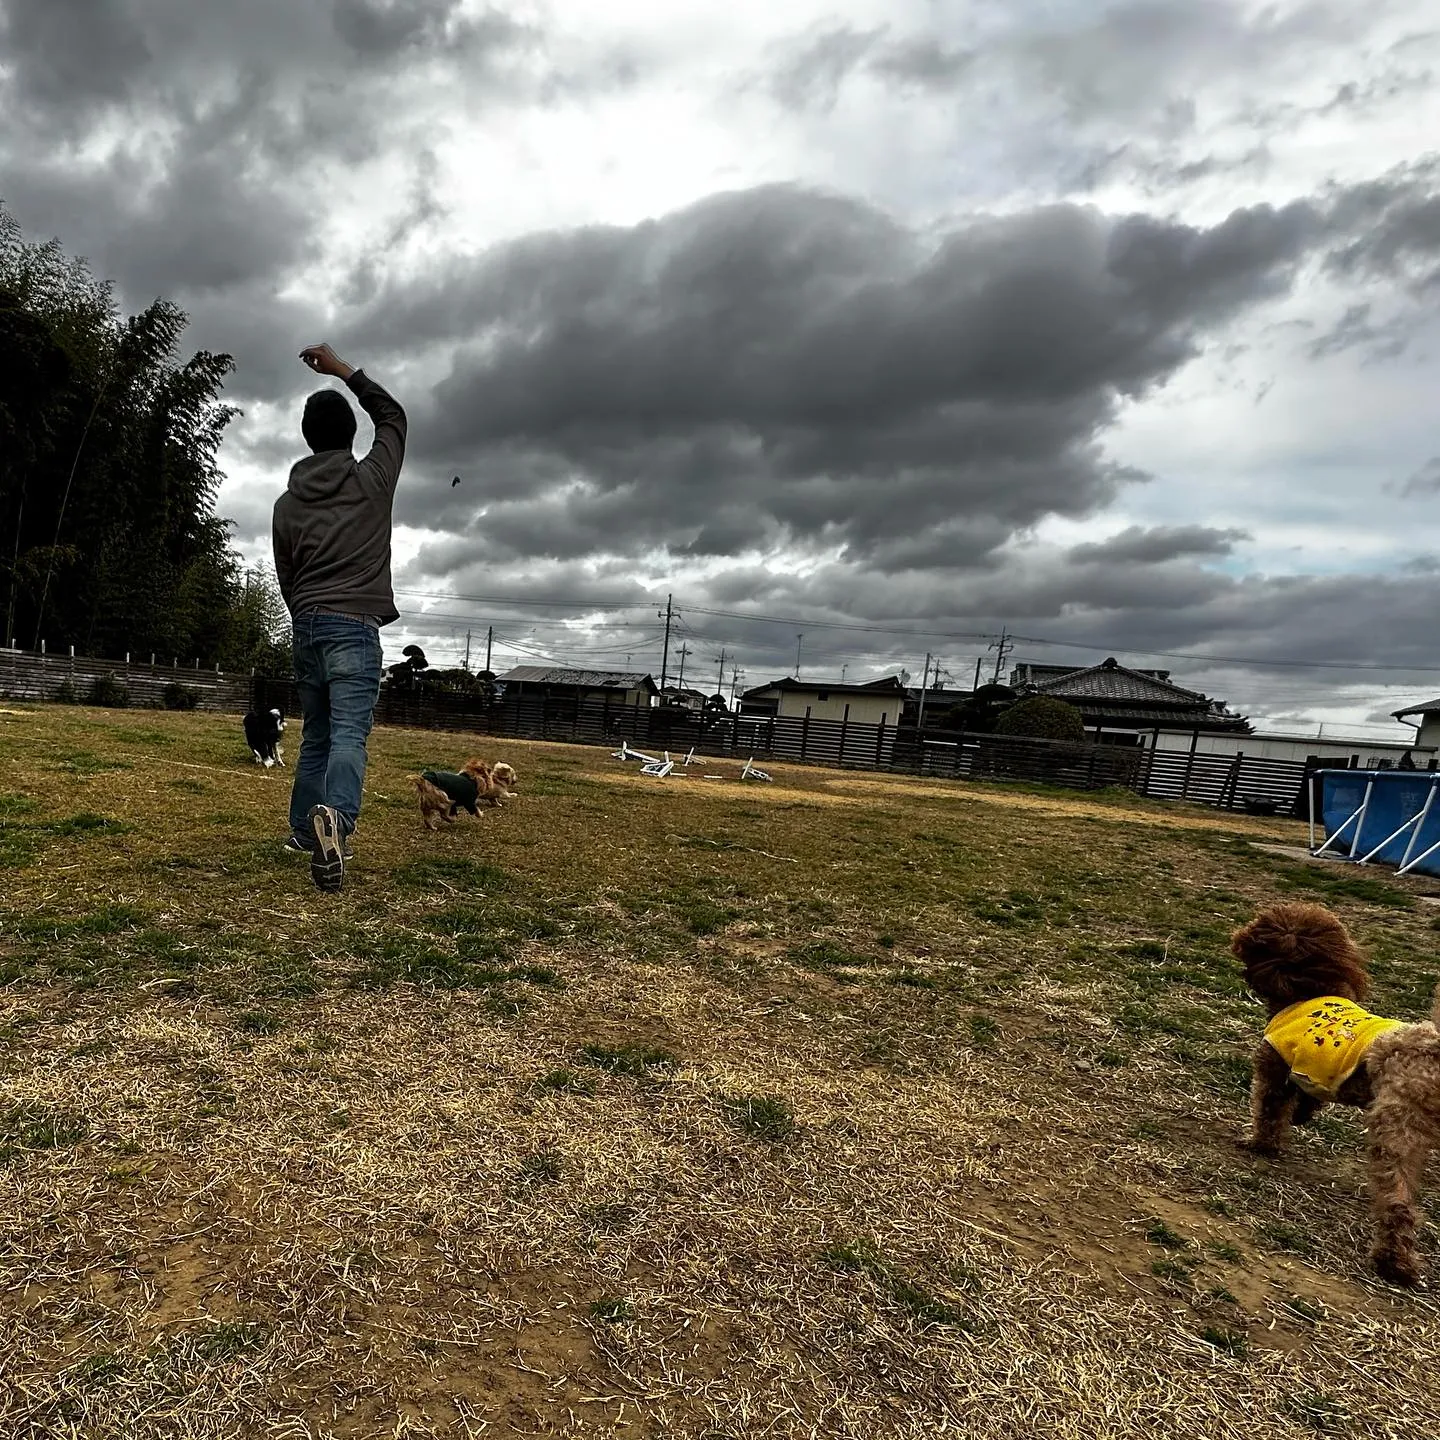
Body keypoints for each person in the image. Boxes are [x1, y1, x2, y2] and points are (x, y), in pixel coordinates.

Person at [272, 343, 406, 892]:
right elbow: (393, 416)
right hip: (356, 625)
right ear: (350, 435)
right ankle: (337, 822)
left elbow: (286, 574)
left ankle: (305, 832)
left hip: (306, 625)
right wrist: (343, 370)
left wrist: (303, 614)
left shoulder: (286, 504)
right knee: (350, 732)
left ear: (307, 438)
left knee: (316, 736)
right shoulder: (371, 480)